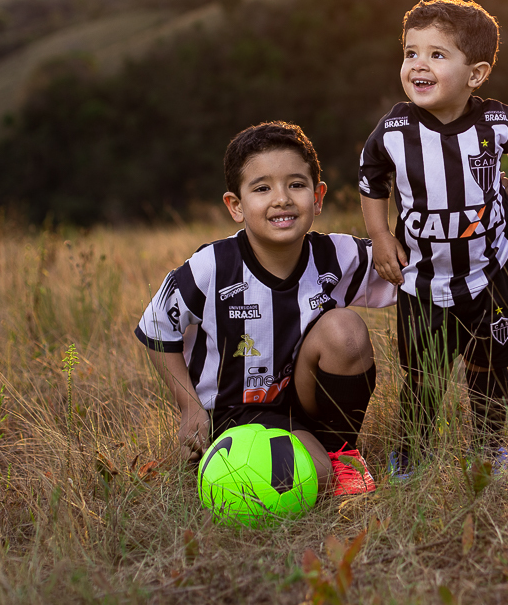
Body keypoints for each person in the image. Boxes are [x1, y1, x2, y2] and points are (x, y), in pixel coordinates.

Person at [136, 121, 395, 496]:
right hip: (229, 415)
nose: (282, 199)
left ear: (318, 197)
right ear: (236, 206)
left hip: (297, 407)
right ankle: (214, 457)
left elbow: (409, 267)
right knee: (307, 483)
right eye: (262, 188)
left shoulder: (336, 256)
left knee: (346, 331)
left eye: (296, 184)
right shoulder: (212, 267)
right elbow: (157, 328)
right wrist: (189, 408)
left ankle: (343, 451)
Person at [358, 0, 508, 476]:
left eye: (437, 55)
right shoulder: (394, 129)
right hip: (421, 282)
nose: (419, 64)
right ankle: (413, 452)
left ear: (475, 74)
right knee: (423, 377)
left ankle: (487, 446)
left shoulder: (496, 121)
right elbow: (371, 178)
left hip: (489, 273)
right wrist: (379, 235)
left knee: (490, 366)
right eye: (411, 52)